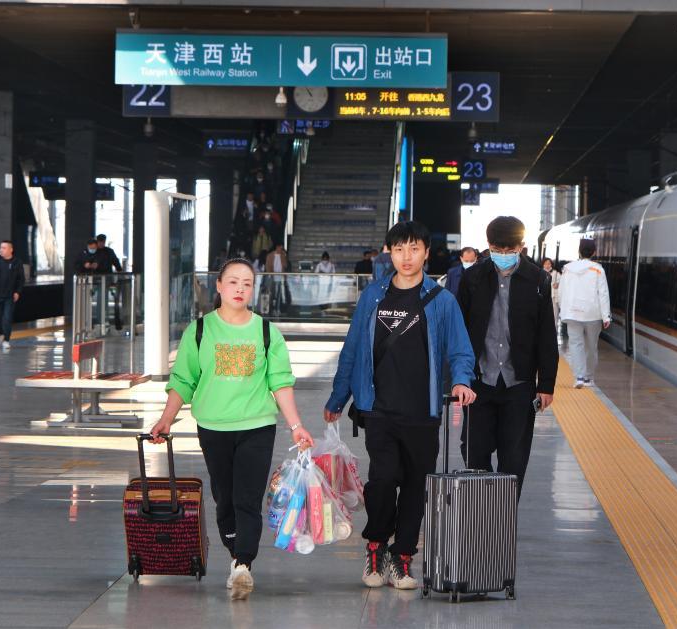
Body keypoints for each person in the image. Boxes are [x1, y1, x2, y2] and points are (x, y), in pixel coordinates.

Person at [324, 221, 476, 591]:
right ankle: (376, 545)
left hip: (423, 412)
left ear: (426, 253)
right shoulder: (373, 296)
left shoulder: (442, 301)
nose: (406, 256)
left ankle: (402, 555)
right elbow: (353, 348)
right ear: (389, 253)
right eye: (399, 249)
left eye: (414, 249)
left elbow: (460, 350)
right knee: (382, 479)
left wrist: (461, 380)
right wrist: (338, 397)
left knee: (414, 486)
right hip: (379, 408)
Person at [149, 258, 314, 599]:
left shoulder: (266, 332)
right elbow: (183, 379)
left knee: (247, 499)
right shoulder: (199, 331)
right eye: (233, 282)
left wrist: (296, 426)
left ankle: (243, 563)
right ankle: (235, 554)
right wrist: (166, 418)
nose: (240, 289)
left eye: (247, 283)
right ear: (219, 286)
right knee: (224, 499)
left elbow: (280, 382)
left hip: (257, 425)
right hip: (213, 427)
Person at [457, 217, 558, 496]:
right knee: (474, 452)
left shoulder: (538, 280)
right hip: (479, 381)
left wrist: (546, 384)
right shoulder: (473, 278)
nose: (503, 255)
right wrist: (457, 377)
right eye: (496, 250)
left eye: (509, 250)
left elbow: (546, 334)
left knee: (514, 456)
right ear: (488, 247)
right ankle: (481, 507)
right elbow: (459, 330)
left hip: (519, 383)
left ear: (521, 246)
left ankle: (503, 513)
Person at [558, 239, 610, 388]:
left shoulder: (567, 269)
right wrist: (606, 316)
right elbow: (603, 293)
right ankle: (589, 378)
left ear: (579, 251)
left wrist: (563, 309)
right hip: (592, 313)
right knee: (591, 346)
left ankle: (579, 377)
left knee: (575, 345)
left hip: (572, 313)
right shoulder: (598, 269)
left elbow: (561, 291)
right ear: (594, 252)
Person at [0, 240, 24, 350]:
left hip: (9, 296)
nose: (1, 250)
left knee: (7, 318)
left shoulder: (16, 262)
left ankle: (6, 340)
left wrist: (17, 292)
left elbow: (21, 279)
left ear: (11, 250)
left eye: (4, 248)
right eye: (1, 247)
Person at [541, 257, 561, 332]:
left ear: (551, 264)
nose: (547, 265)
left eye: (549, 264)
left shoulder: (556, 273)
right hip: (542, 297)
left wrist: (558, 284)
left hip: (553, 298)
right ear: (543, 264)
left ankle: (554, 331)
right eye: (545, 264)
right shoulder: (539, 272)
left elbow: (562, 282)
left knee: (554, 315)